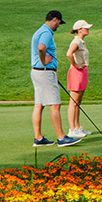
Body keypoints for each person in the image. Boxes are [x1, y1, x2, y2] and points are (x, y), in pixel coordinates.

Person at [31, 11, 80, 147]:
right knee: (55, 104)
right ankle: (61, 137)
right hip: (45, 72)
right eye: (59, 22)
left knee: (39, 105)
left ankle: (38, 138)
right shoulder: (46, 32)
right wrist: (44, 62)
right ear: (54, 19)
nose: (59, 25)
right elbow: (41, 48)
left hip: (37, 72)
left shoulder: (39, 31)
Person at [63, 20, 94, 139]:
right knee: (73, 101)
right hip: (77, 72)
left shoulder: (81, 42)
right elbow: (69, 54)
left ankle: (77, 126)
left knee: (78, 102)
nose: (88, 29)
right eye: (85, 28)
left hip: (82, 72)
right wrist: (75, 65)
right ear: (79, 29)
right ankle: (72, 129)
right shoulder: (76, 41)